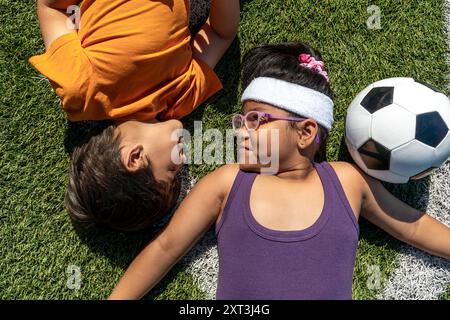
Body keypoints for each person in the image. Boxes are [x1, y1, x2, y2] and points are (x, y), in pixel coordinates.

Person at [107, 42, 450, 299]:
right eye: (241, 120)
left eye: (256, 119)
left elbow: (411, 226)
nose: (241, 131)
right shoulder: (228, 183)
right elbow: (166, 247)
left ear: (305, 133)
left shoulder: (345, 180)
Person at [29, 0, 240, 231]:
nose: (183, 159)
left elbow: (53, 8)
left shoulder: (83, 90)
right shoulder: (180, 99)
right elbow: (220, 34)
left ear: (135, 158)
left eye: (171, 171)